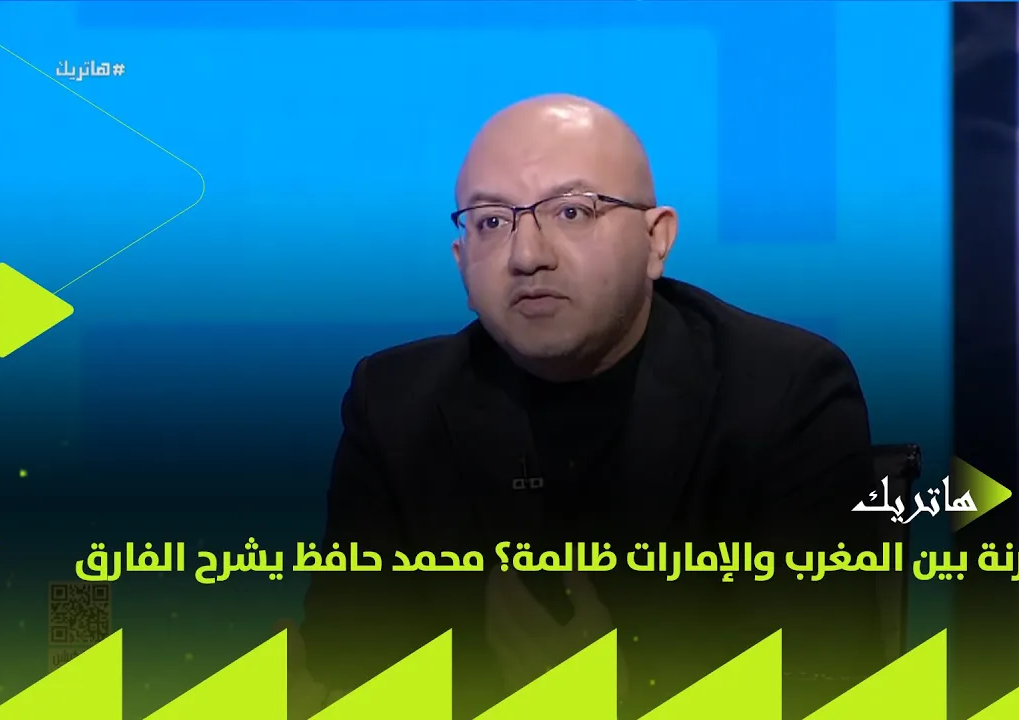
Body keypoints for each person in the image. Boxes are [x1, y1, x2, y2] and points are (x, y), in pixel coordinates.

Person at [288, 94, 888, 719]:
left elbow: (827, 689)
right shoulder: (393, 404)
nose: (527, 256)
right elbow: (350, 671)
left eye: (572, 211)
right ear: (461, 263)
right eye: (490, 222)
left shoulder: (785, 391)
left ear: (656, 242)